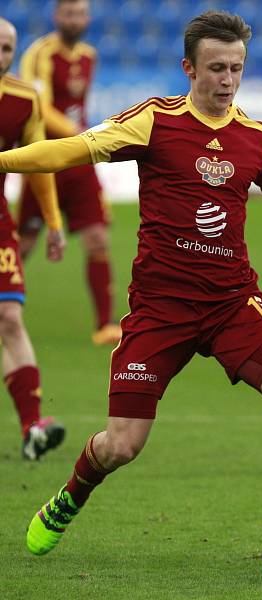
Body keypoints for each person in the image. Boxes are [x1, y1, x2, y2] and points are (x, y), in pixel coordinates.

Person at [0, 11, 262, 572]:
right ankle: (69, 497)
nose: (227, 80)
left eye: (237, 69)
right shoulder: (155, 120)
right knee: (122, 445)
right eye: (216, 68)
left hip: (231, 304)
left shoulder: (258, 139)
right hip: (160, 309)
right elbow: (73, 148)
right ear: (188, 68)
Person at [17, 0, 120, 346]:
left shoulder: (89, 55)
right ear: (56, 16)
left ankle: (105, 325)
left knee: (97, 238)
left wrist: (82, 142)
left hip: (78, 161)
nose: (76, 20)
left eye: (81, 14)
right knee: (24, 242)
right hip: (46, 160)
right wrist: (82, 136)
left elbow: (77, 107)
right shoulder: (40, 54)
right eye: (69, 14)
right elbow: (41, 108)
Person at [0, 17, 67, 460]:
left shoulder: (24, 99)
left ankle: (33, 427)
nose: (0, 54)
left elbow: (39, 164)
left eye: (7, 48)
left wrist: (53, 221)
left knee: (9, 317)